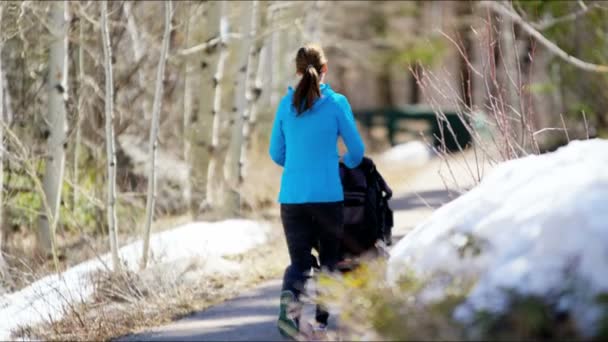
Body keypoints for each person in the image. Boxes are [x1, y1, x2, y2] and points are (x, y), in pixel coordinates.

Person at [269, 43, 365, 339]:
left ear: (297, 71)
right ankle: (321, 323)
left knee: (299, 264)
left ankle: (291, 310)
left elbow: (276, 153)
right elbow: (357, 152)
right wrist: (340, 162)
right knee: (329, 262)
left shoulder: (286, 105)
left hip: (293, 198)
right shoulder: (336, 104)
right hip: (327, 198)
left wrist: (298, 164)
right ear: (325, 70)